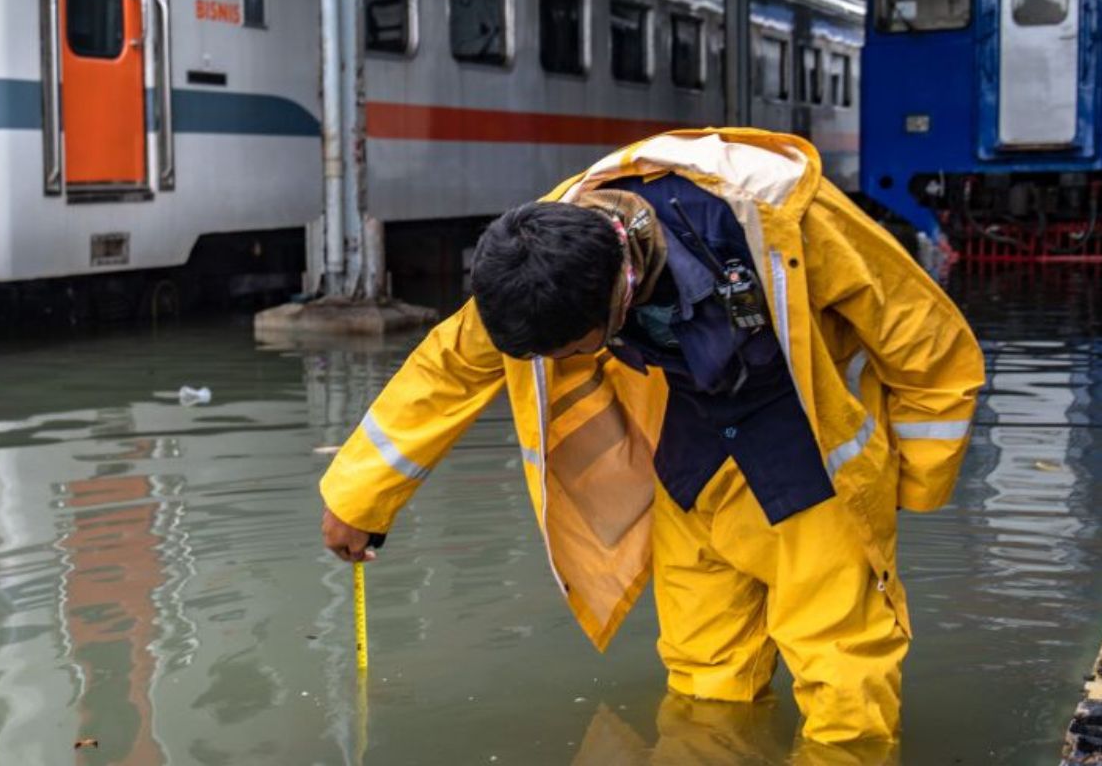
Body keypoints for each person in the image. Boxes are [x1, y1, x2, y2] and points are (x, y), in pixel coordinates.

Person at [318, 128, 984, 747]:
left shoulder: (779, 211)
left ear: (613, 303)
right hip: (692, 475)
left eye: (565, 351)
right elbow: (453, 363)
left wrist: (913, 483)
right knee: (703, 686)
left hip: (808, 476)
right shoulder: (544, 249)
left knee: (845, 693)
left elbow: (923, 336)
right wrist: (359, 498)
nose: (549, 367)